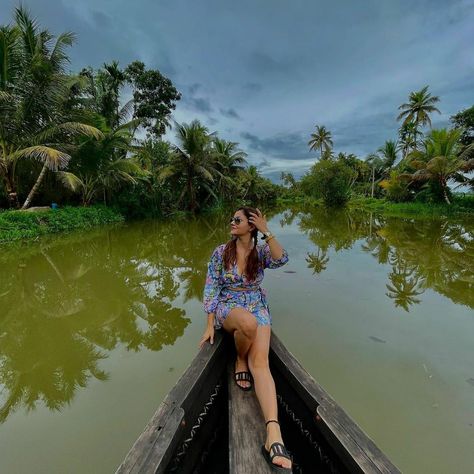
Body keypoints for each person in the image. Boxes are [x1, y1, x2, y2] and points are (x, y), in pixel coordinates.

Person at [199, 206, 292, 472]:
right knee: (248, 325)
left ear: (251, 225)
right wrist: (209, 324)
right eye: (232, 218)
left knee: (261, 364)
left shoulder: (260, 252)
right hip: (229, 304)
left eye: (237, 220)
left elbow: (282, 259)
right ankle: (240, 358)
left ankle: (273, 433)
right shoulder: (221, 252)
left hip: (256, 303)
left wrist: (267, 232)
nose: (232, 222)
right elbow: (211, 286)